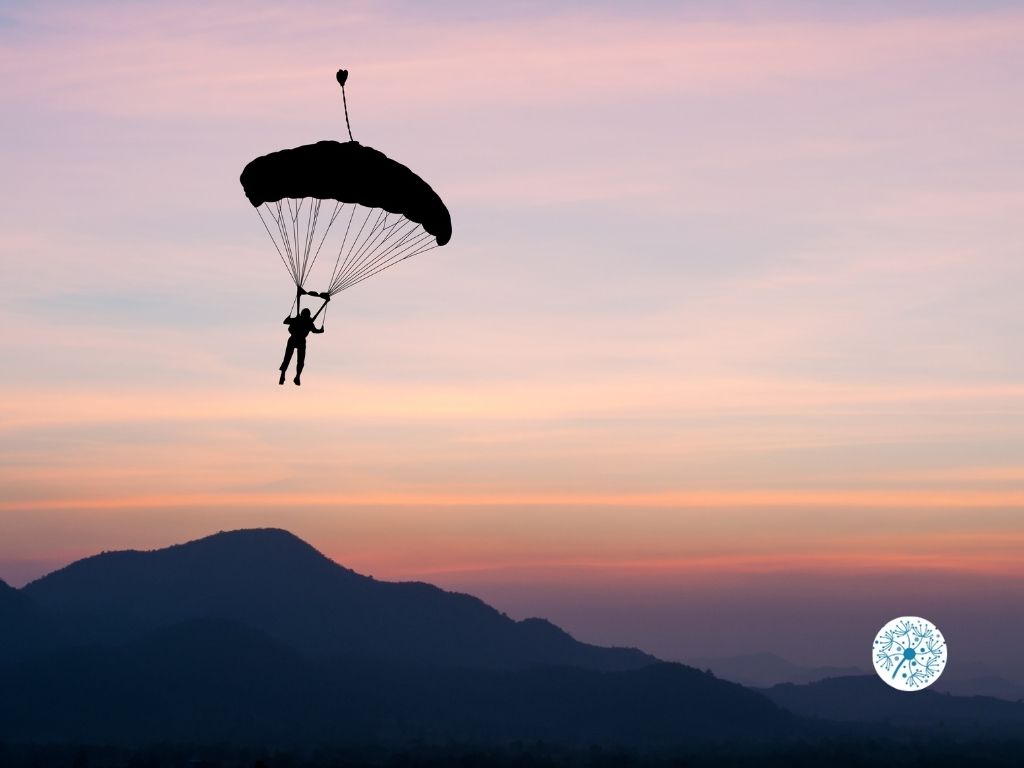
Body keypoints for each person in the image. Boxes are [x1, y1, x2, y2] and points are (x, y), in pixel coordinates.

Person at [279, 290, 330, 386]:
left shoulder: (298, 319)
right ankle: (297, 376)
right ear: (308, 315)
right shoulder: (309, 322)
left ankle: (283, 374)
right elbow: (315, 331)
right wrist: (321, 330)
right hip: (301, 340)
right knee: (300, 360)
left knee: (288, 358)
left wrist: (290, 317)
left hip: (293, 339)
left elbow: (285, 322)